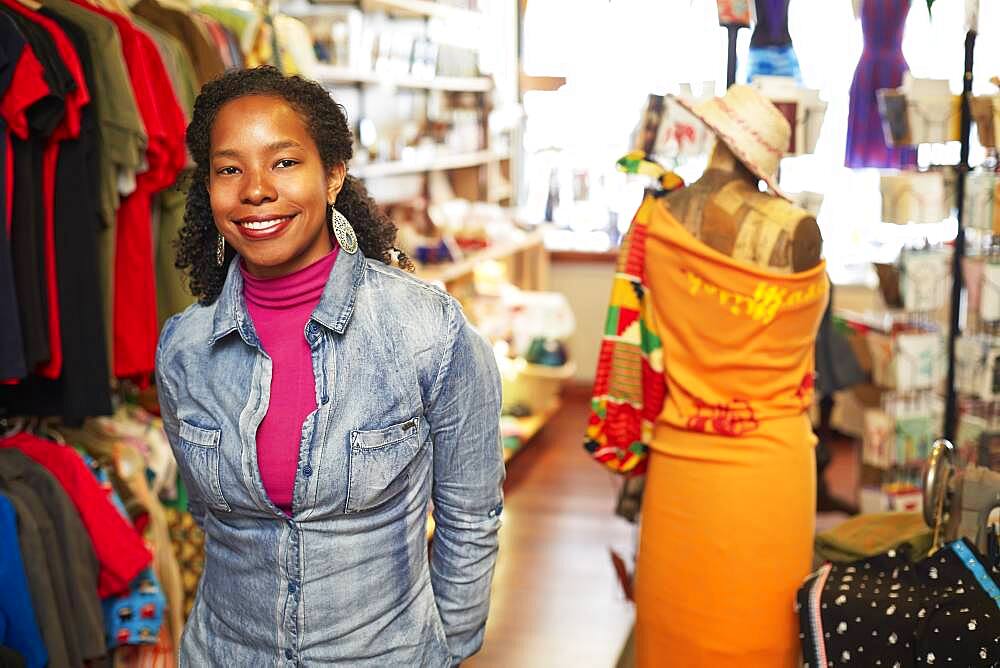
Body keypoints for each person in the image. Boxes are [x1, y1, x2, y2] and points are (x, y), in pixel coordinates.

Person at [155, 66, 505, 666]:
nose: (256, 190)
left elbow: (470, 516)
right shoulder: (184, 348)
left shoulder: (427, 330)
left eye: (284, 162)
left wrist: (448, 647)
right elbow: (208, 518)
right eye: (229, 169)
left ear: (334, 175)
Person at [587, 86, 828, 666]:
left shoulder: (658, 218)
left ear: (716, 137)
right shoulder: (798, 232)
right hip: (770, 471)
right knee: (761, 635)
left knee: (673, 631)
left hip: (681, 464)